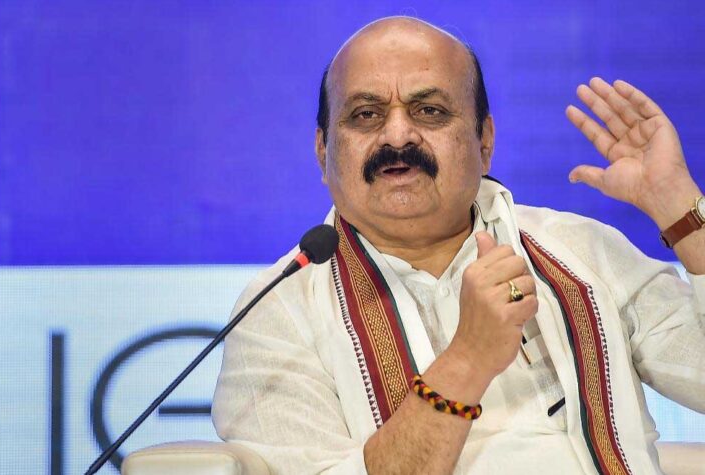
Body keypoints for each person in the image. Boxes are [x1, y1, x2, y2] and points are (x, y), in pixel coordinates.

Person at [212, 16, 705, 474]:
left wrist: (683, 212)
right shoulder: (279, 312)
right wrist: (468, 359)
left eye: (430, 111)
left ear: (484, 139)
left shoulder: (582, 251)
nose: (398, 134)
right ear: (323, 151)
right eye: (365, 114)